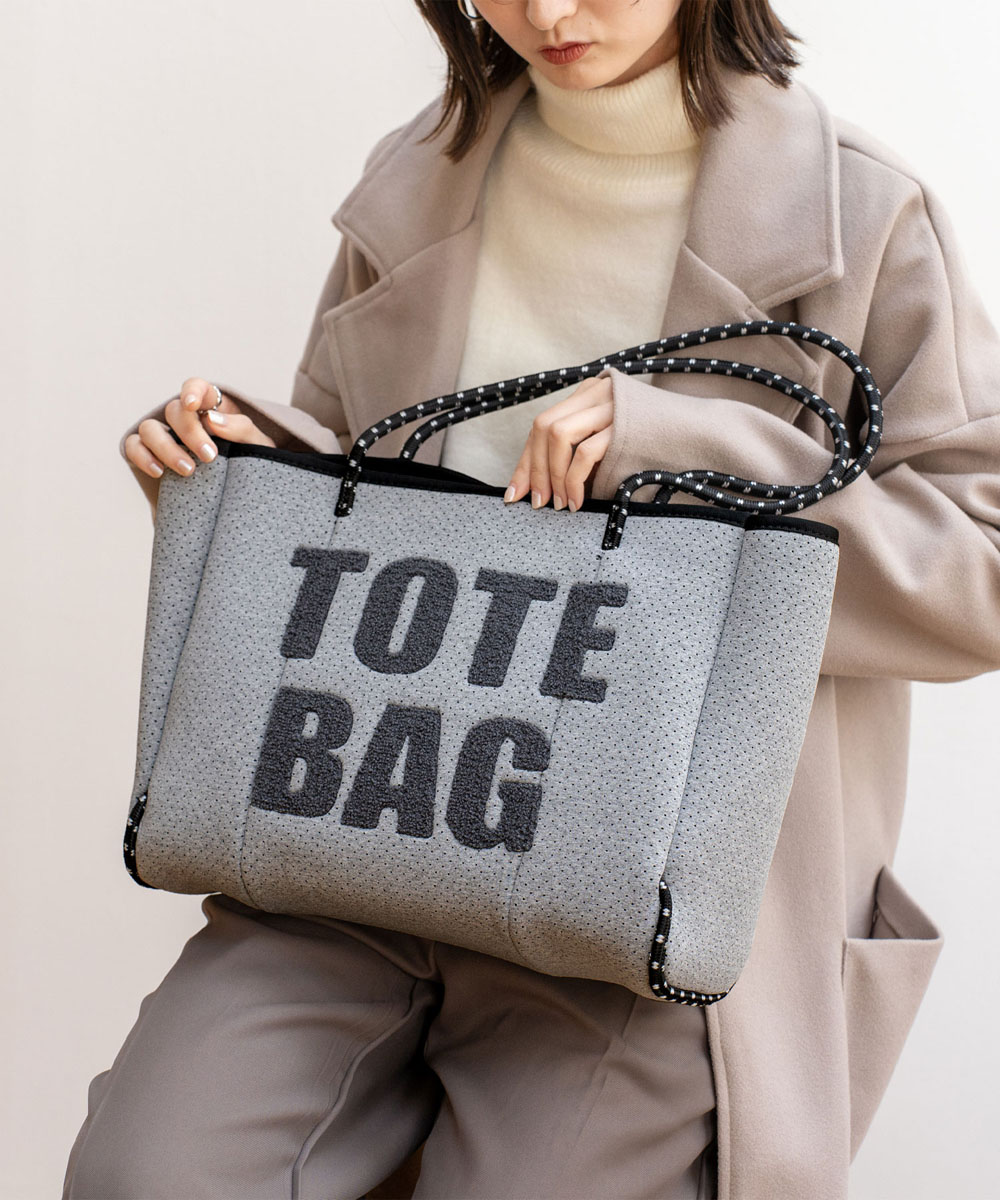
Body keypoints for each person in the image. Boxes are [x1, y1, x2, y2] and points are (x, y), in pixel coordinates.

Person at [63, 2, 1000, 1198]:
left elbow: (976, 567)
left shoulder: (860, 212)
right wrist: (244, 465)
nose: (546, 14)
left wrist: (690, 452)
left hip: (640, 892)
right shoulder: (421, 174)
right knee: (147, 1173)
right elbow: (366, 473)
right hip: (369, 817)